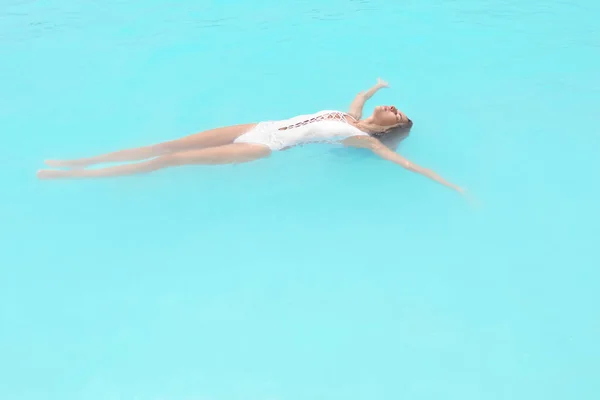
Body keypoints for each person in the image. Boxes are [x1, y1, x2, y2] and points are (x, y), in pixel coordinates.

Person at [36, 78, 464, 194]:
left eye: (400, 114)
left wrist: (451, 185)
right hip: (256, 127)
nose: (395, 107)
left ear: (394, 129)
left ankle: (73, 177)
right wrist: (376, 87)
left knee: (167, 161)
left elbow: (405, 163)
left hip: (266, 147)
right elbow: (357, 95)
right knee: (163, 145)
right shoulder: (352, 116)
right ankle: (75, 161)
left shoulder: (362, 140)